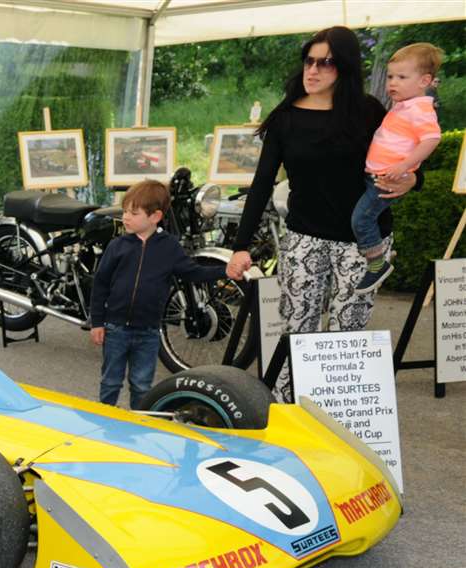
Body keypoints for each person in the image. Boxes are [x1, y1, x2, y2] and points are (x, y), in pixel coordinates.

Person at [226, 27, 419, 399]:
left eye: (325, 63)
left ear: (344, 68)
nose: (313, 71)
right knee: (297, 327)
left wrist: (414, 180)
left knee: (346, 334)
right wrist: (240, 245)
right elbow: (263, 182)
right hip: (303, 238)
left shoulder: (368, 112)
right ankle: (285, 413)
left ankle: (334, 419)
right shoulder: (285, 117)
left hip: (363, 244)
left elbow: (403, 158)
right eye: (309, 61)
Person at [88, 180, 230, 408]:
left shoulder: (169, 247)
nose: (125, 217)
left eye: (133, 213)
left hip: (149, 332)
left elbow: (193, 272)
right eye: (125, 211)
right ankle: (105, 421)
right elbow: (101, 284)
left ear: (155, 217)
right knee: (111, 382)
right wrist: (97, 322)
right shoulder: (117, 246)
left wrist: (225, 271)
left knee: (142, 384)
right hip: (116, 328)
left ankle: (140, 424)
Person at [350, 42, 443, 293]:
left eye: (402, 77)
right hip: (377, 175)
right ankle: (379, 257)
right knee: (363, 217)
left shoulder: (420, 108)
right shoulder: (405, 105)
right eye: (391, 76)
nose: (393, 82)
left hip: (386, 178)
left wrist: (404, 166)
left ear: (424, 80)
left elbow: (432, 139)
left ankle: (376, 263)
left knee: (361, 220)